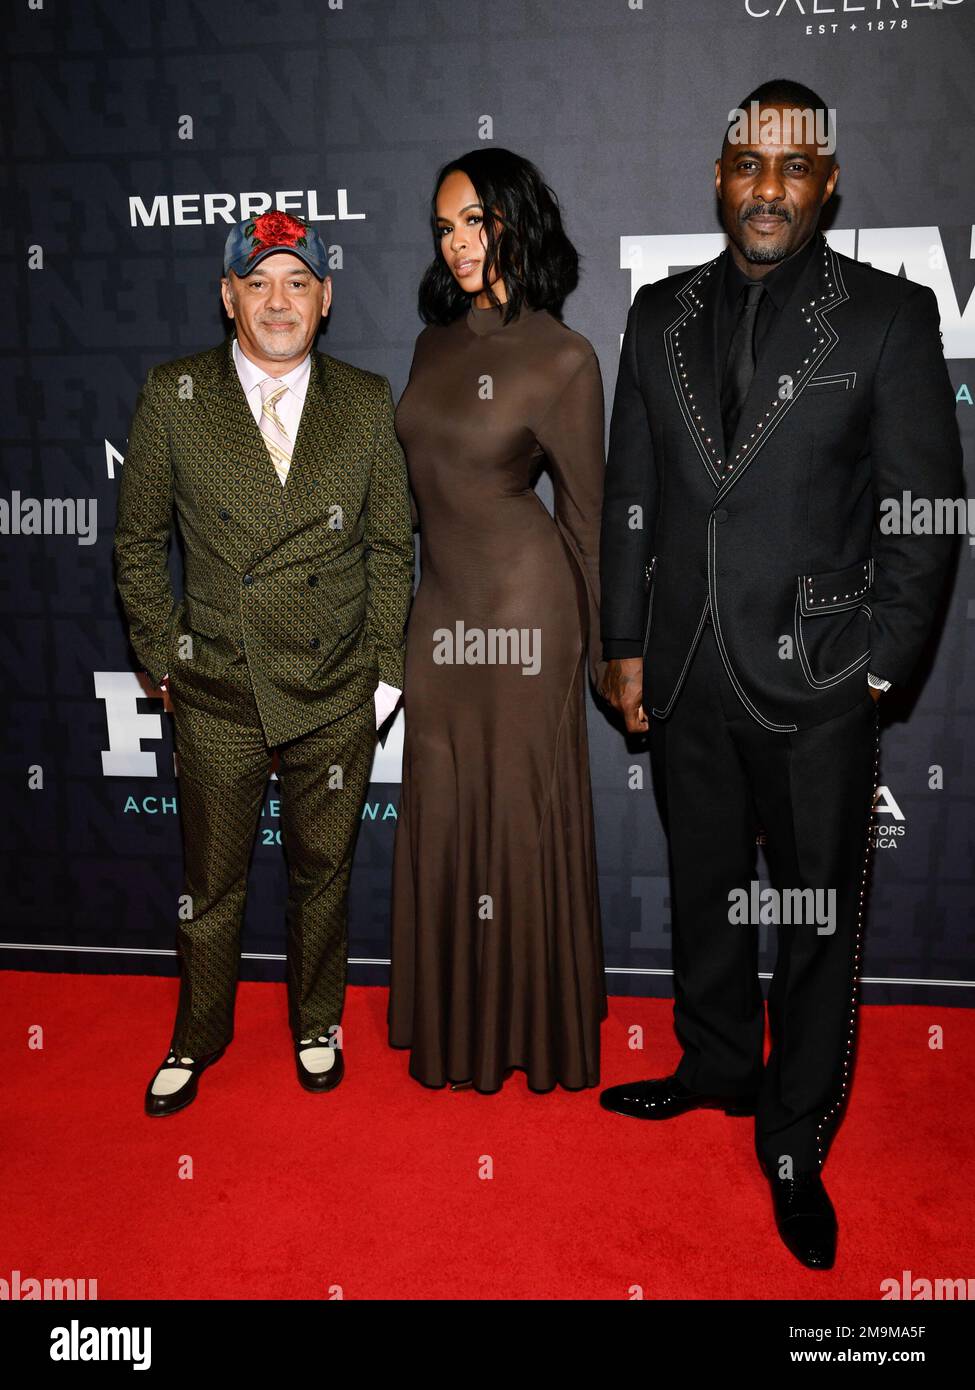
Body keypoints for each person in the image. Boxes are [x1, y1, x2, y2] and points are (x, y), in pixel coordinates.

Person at [598, 81, 963, 1267]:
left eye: (793, 168)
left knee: (811, 914)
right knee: (704, 884)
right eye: (748, 164)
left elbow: (926, 510)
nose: (768, 187)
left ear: (827, 184)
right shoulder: (656, 315)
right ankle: (714, 1063)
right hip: (689, 667)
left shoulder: (889, 319)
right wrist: (623, 639)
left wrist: (881, 671)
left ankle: (796, 1132)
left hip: (819, 677)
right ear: (720, 175)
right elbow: (632, 495)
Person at [114, 211, 414, 1115]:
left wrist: (385, 671)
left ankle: (316, 1020)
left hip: (334, 691)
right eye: (258, 282)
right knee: (211, 881)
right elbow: (136, 545)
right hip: (217, 690)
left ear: (325, 297)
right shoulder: (175, 395)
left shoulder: (364, 399)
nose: (277, 301)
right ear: (227, 296)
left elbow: (390, 547)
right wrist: (164, 655)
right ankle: (197, 1034)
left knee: (322, 871)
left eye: (296, 281)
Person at [387, 149, 608, 1093]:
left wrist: (610, 658)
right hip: (439, 609)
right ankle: (457, 1024)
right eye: (445, 227)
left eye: (475, 220)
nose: (459, 243)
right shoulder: (434, 341)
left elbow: (589, 522)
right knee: (443, 808)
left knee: (517, 819)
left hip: (527, 613)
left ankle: (531, 1027)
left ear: (515, 219)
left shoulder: (564, 357)